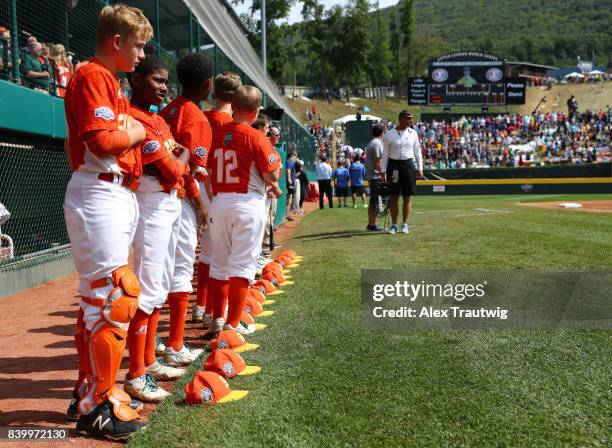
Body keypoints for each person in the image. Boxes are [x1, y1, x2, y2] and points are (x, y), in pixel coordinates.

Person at [62, 4, 152, 440]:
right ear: (116, 42)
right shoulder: (93, 75)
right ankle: (98, 403)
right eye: (137, 46)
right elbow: (100, 139)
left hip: (107, 189)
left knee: (96, 300)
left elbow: (72, 144)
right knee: (115, 297)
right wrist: (137, 133)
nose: (140, 55)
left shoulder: (106, 80)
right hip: (99, 190)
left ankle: (89, 390)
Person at [124, 54, 190, 404]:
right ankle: (135, 375)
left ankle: (149, 361)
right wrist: (183, 156)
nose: (164, 87)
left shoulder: (155, 119)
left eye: (166, 81)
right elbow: (174, 169)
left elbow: (177, 158)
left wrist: (181, 157)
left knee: (160, 285)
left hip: (166, 204)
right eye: (157, 80)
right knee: (147, 290)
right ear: (136, 80)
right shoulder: (137, 118)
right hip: (150, 204)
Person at [207, 85, 282, 334]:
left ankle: (217, 316)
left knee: (219, 264)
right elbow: (271, 173)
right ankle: (232, 322)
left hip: (218, 201)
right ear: (256, 110)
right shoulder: (256, 136)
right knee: (241, 265)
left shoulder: (216, 133)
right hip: (246, 202)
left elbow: (206, 171)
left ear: (233, 106)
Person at [159, 53, 212, 366]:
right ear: (207, 85)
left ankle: (154, 341)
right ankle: (175, 343)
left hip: (151, 196)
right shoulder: (196, 117)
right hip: (179, 198)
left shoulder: (165, 110)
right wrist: (200, 205)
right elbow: (193, 171)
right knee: (179, 271)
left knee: (155, 274)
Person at [193, 71, 242, 325]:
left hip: (196, 183)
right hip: (218, 187)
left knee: (206, 252)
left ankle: (201, 305)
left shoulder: (201, 116)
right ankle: (212, 310)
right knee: (220, 253)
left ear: (214, 92)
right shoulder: (229, 123)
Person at [381, 110, 423, 234]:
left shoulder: (413, 133)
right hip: (393, 166)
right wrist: (383, 170)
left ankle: (405, 224)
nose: (411, 120)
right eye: (409, 118)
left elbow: (417, 152)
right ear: (401, 119)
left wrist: (420, 167)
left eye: (412, 118)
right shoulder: (389, 134)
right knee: (394, 196)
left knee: (407, 196)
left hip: (408, 165)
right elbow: (385, 155)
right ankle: (394, 225)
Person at [365, 124, 384, 231]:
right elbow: (378, 162)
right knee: (374, 200)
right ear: (381, 133)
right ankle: (372, 224)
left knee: (373, 199)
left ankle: (372, 223)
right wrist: (383, 175)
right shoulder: (377, 143)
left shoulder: (372, 143)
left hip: (372, 175)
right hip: (375, 175)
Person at [285, 151, 297, 220]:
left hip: (290, 182)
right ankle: (287, 215)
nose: (295, 158)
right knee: (288, 199)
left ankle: (287, 215)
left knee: (289, 199)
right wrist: (289, 179)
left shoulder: (289, 161)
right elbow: (288, 170)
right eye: (295, 156)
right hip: (289, 183)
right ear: (292, 156)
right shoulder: (289, 161)